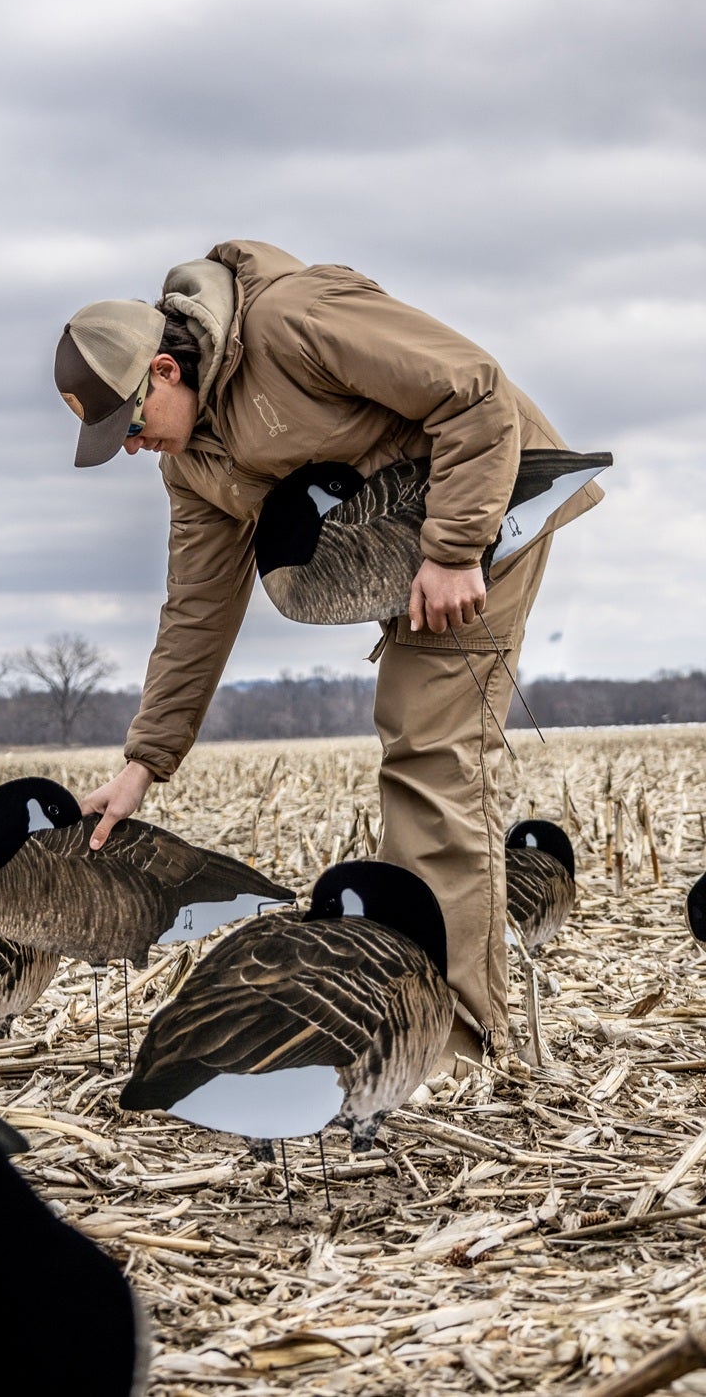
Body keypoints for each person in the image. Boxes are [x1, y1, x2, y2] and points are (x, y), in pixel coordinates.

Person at [52, 242, 601, 1069]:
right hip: (405, 547)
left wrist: (455, 549)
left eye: (128, 425)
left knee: (435, 757)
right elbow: (197, 609)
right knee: (410, 740)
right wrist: (145, 761)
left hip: (487, 508)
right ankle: (422, 1015)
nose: (131, 447)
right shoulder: (193, 464)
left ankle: (460, 1040)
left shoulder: (295, 320)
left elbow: (475, 390)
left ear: (164, 370)